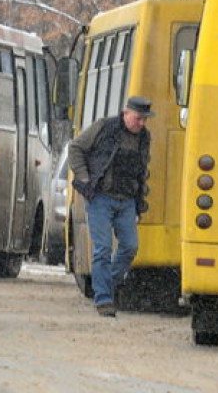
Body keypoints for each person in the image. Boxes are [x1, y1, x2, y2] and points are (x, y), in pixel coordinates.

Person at [67, 96, 153, 317]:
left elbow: (142, 169)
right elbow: (75, 147)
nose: (141, 123)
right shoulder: (104, 127)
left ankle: (105, 285)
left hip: (127, 201)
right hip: (100, 199)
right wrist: (84, 178)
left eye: (145, 119)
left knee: (130, 247)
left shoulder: (144, 137)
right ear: (126, 113)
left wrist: (139, 199)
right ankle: (104, 300)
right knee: (103, 249)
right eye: (138, 118)